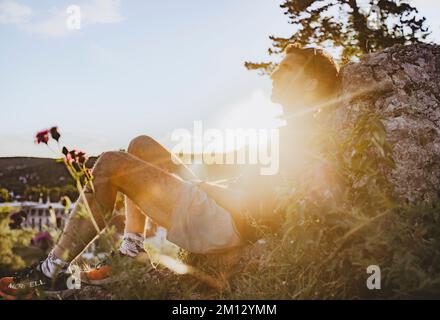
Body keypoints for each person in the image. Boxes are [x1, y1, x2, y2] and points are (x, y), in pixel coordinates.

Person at [0, 44, 340, 299]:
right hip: (218, 200)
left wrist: (211, 189)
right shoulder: (291, 128)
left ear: (309, 85)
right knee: (141, 144)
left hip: (226, 220)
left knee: (110, 164)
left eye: (286, 68)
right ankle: (131, 250)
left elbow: (279, 205)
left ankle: (48, 270)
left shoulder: (311, 132)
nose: (275, 73)